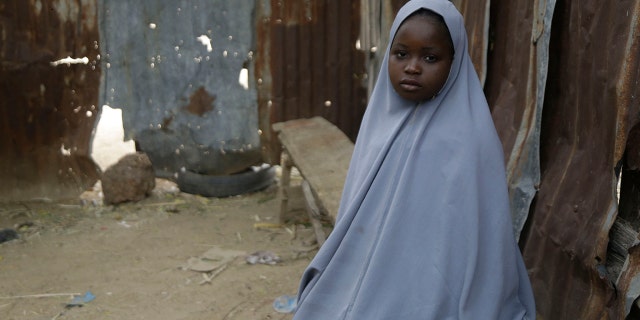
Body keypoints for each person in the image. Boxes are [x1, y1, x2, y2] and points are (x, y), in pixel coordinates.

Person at [292, 0, 536, 319]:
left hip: (436, 286)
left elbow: (478, 241)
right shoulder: (378, 123)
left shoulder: (470, 141)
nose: (412, 67)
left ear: (454, 61)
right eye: (402, 53)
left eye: (430, 57)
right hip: (366, 273)